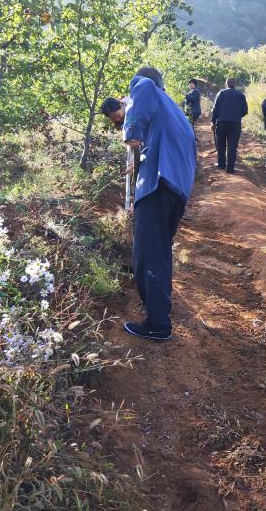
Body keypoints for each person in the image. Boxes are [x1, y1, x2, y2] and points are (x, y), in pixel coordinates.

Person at [100, 66, 197, 341]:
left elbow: (141, 86)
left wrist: (131, 131)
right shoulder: (175, 113)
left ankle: (157, 325)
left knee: (149, 256)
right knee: (160, 253)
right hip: (176, 190)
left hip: (158, 186)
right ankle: (158, 314)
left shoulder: (145, 86)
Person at [211, 78, 248, 173]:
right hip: (235, 123)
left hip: (222, 122)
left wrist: (213, 121)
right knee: (232, 146)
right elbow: (245, 111)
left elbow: (215, 108)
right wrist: (236, 116)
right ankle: (230, 168)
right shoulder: (241, 95)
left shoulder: (221, 93)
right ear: (234, 84)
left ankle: (221, 164)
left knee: (221, 144)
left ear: (226, 84)